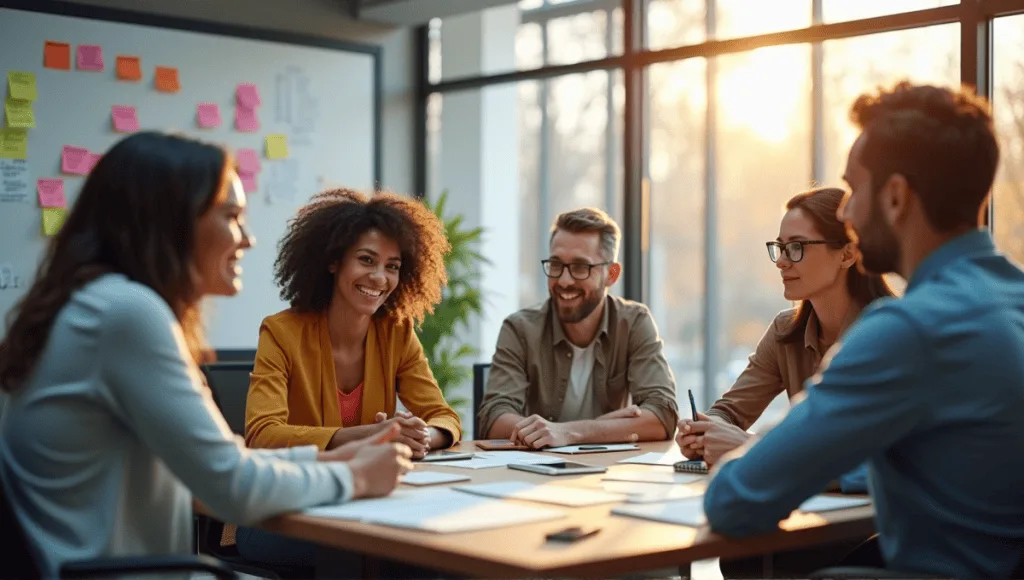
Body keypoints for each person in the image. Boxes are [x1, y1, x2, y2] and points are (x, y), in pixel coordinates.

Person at [0, 132, 411, 577]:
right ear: (172, 222)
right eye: (232, 216)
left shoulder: (90, 306)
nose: (248, 239)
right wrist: (358, 477)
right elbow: (230, 485)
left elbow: (214, 460)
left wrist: (330, 458)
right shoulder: (126, 315)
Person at [703, 82, 1024, 579]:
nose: (847, 212)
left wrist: (741, 459)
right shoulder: (1012, 300)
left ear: (895, 196)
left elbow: (735, 500)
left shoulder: (907, 330)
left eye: (854, 189)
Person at [239, 188, 461, 568]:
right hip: (284, 512)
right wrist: (374, 436)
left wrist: (422, 434)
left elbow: (445, 417)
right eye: (366, 260)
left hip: (370, 505)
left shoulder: (397, 332)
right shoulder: (281, 333)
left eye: (392, 266)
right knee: (368, 555)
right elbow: (263, 435)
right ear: (333, 262)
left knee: (437, 549)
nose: (380, 277)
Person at [677, 187, 894, 493]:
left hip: (869, 524)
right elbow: (730, 410)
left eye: (796, 247)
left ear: (847, 253)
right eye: (779, 247)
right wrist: (704, 432)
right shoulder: (785, 330)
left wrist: (753, 448)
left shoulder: (889, 335)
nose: (781, 262)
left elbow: (878, 465)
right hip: (809, 510)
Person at [478, 207, 678, 448]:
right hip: (538, 474)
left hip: (610, 474)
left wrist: (570, 432)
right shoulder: (520, 328)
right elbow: (494, 418)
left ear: (611, 275)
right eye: (555, 264)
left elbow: (662, 415)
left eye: (580, 267)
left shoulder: (634, 322)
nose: (564, 280)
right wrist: (606, 427)